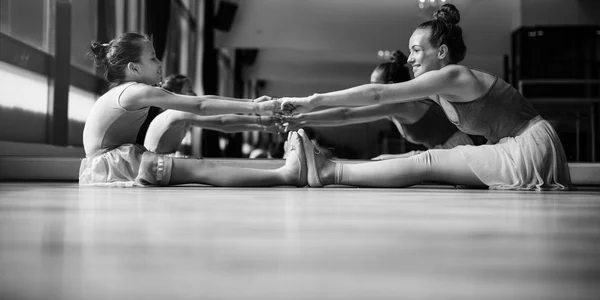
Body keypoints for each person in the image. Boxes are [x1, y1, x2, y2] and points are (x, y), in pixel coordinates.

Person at [276, 4, 572, 191]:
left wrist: (313, 100)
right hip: (516, 146)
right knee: (426, 161)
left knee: (428, 161)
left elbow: (379, 93)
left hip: (530, 146)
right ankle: (330, 169)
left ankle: (329, 171)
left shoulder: (454, 75)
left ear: (441, 52)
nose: (411, 61)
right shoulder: (439, 90)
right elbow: (358, 110)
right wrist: (305, 113)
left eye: (417, 51)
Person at [79, 32, 306, 187]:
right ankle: (285, 175)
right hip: (113, 164)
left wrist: (257, 111)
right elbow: (201, 105)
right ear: (134, 67)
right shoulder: (135, 91)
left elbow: (209, 111)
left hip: (110, 162)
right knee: (202, 169)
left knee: (200, 167)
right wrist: (258, 107)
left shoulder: (124, 90)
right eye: (153, 58)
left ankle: (284, 174)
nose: (160, 64)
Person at [282, 50, 473, 160]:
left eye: (375, 86)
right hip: (442, 151)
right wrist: (302, 119)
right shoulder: (394, 108)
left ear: (390, 87)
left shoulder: (400, 105)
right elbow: (348, 114)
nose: (369, 91)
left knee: (383, 161)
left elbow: (347, 114)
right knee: (383, 160)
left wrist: (302, 118)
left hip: (458, 149)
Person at [144, 74, 282, 155]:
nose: (195, 94)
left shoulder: (177, 114)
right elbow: (221, 120)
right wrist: (261, 121)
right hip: (154, 167)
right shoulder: (175, 112)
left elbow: (221, 124)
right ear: (176, 94)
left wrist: (253, 106)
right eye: (190, 90)